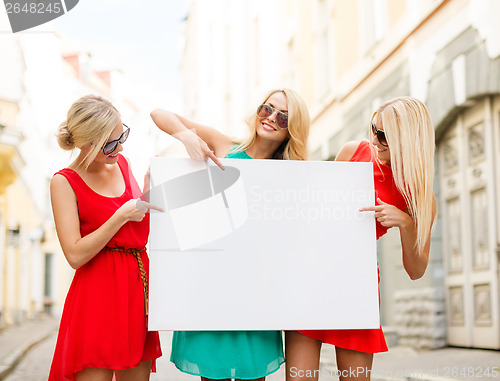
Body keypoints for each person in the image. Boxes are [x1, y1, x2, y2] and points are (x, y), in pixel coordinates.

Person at [150, 88, 310, 381]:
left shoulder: (291, 176)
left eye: (283, 117)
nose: (271, 118)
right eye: (267, 109)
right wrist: (186, 136)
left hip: (258, 295)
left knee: (253, 376)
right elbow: (159, 114)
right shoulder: (224, 146)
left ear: (293, 130)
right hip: (211, 289)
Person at [285, 96, 437, 381]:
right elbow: (313, 216)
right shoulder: (353, 152)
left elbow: (416, 270)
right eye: (374, 129)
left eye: (385, 135)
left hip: (357, 288)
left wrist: (405, 222)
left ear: (409, 139)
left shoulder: (419, 197)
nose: (376, 140)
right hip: (312, 279)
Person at [48, 95, 162, 381]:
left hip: (137, 287)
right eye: (109, 144)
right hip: (96, 294)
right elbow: (74, 255)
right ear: (85, 143)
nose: (120, 147)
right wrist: (121, 215)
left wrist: (148, 197)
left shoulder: (122, 163)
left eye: (121, 135)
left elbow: (137, 234)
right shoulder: (64, 181)